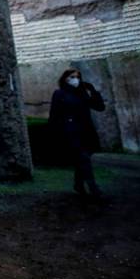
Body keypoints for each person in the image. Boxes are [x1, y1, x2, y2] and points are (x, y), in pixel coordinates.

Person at [48, 68, 105, 199]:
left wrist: (93, 91)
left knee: (83, 158)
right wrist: (55, 133)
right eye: (72, 77)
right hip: (71, 131)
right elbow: (54, 115)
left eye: (78, 77)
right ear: (65, 78)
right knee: (83, 157)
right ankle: (93, 187)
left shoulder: (83, 94)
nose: (75, 79)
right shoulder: (59, 93)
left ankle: (78, 184)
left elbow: (100, 107)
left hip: (86, 130)